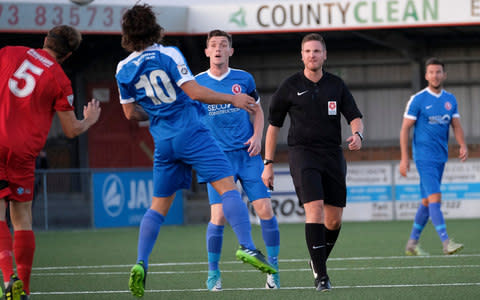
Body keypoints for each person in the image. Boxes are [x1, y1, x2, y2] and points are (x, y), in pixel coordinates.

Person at [115, 5, 276, 298]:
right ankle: (247, 246)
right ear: (154, 27)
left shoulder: (122, 68)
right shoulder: (169, 54)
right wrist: (233, 99)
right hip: (191, 133)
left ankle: (141, 262)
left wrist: (157, 112)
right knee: (228, 188)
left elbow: (129, 114)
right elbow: (196, 92)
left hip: (163, 142)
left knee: (158, 207)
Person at [0, 25, 101, 299]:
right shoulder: (59, 79)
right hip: (23, 152)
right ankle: (25, 289)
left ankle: (8, 277)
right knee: (21, 219)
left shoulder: (9, 53)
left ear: (45, 39)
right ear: (68, 55)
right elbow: (70, 131)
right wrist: (88, 121)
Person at [262, 33, 364, 292]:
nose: (312, 55)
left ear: (324, 55)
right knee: (315, 209)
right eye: (308, 51)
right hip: (302, 154)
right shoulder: (289, 86)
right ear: (302, 55)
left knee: (334, 221)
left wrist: (358, 134)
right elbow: (273, 127)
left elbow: (354, 116)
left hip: (332, 154)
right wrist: (268, 163)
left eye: (317, 51)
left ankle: (316, 262)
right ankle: (322, 277)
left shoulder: (336, 85)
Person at [195, 30, 280, 291]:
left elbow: (257, 110)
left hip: (248, 155)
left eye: (223, 45)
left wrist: (257, 136)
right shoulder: (196, 83)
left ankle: (273, 271)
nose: (218, 48)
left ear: (231, 51)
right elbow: (191, 118)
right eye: (213, 45)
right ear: (207, 52)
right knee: (218, 216)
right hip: (217, 159)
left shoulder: (244, 79)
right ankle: (213, 274)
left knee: (265, 210)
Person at [400, 57, 467, 256]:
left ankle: (412, 243)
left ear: (444, 75)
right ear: (426, 75)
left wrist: (462, 144)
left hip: (440, 157)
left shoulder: (450, 100)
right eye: (431, 72)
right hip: (423, 157)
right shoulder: (418, 99)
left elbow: (456, 125)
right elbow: (405, 129)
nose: (435, 75)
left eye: (438, 72)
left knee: (427, 201)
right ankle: (446, 242)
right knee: (436, 197)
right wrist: (405, 158)